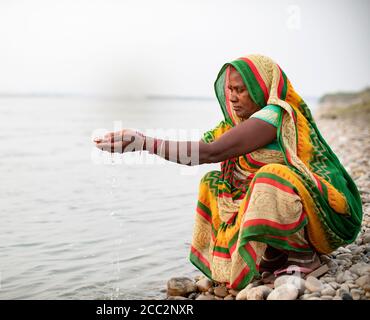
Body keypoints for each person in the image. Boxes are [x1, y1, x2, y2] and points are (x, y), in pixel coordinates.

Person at [94, 54, 362, 290]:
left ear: (260, 88)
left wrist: (144, 142)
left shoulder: (274, 115)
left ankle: (304, 257)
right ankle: (274, 253)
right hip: (292, 205)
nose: (232, 97)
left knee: (271, 177)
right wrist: (140, 143)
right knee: (213, 183)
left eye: (240, 90)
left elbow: (212, 152)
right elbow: (200, 149)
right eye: (230, 89)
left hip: (324, 212)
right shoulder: (236, 122)